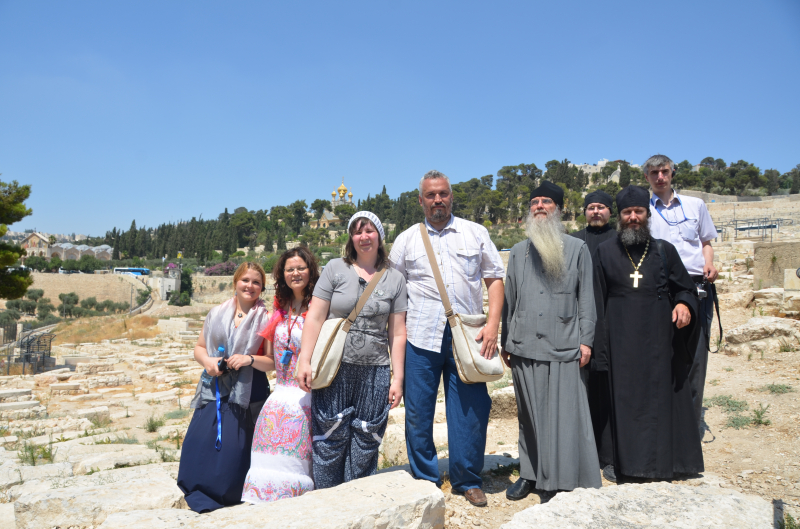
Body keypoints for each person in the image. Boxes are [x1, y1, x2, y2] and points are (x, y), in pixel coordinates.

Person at [389, 170, 505, 508]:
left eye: (443, 194)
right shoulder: (407, 239)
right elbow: (394, 292)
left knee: (470, 409)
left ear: (451, 196)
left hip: (467, 338)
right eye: (430, 195)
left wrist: (493, 325)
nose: (437, 200)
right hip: (420, 337)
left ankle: (467, 479)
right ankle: (426, 478)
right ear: (421, 200)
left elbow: (495, 279)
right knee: (419, 413)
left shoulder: (475, 232)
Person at [593, 185, 703, 481]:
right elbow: (595, 300)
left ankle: (662, 463)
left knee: (659, 396)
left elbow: (686, 288)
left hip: (658, 338)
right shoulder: (604, 252)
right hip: (619, 339)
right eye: (627, 212)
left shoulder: (664, 251)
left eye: (638, 212)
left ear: (647, 214)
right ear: (619, 216)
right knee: (621, 399)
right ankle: (619, 462)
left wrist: (683, 304)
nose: (632, 218)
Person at [501, 181, 600, 500]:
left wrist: (586, 340)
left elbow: (586, 298)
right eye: (534, 202)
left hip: (565, 342)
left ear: (558, 209)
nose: (539, 206)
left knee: (565, 414)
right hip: (524, 344)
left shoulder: (577, 248)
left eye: (546, 202)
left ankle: (565, 476)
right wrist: (507, 340)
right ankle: (530, 474)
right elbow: (509, 301)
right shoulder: (517, 252)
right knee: (530, 416)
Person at [296, 211, 407, 489]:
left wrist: (398, 378)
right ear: (351, 237)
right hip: (336, 367)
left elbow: (397, 332)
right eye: (357, 231)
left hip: (376, 370)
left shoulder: (395, 278)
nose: (363, 237)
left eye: (369, 230)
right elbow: (315, 316)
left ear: (379, 236)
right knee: (330, 439)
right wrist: (304, 359)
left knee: (366, 441)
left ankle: (358, 504)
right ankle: (327, 503)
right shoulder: (335, 268)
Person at [178, 261, 272, 513]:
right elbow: (199, 348)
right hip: (215, 387)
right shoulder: (216, 313)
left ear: (262, 288)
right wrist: (208, 362)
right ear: (235, 282)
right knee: (199, 442)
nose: (250, 286)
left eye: (256, 282)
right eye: (245, 280)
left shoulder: (267, 319)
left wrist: (248, 359)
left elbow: (271, 362)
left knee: (235, 449)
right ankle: (197, 489)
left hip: (249, 392)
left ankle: (232, 494)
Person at [644, 154, 718, 437]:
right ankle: (662, 418)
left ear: (672, 173)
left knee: (696, 356)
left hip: (697, 285)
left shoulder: (696, 205)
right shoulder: (643, 209)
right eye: (654, 173)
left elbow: (706, 242)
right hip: (661, 289)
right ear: (647, 177)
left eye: (664, 171)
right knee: (661, 353)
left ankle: (689, 423)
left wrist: (709, 262)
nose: (660, 177)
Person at [241, 247, 319, 503]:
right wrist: (249, 359)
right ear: (282, 274)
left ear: (311, 270)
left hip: (306, 398)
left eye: (300, 268)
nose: (295, 273)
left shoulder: (320, 305)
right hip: (278, 398)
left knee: (295, 468)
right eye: (289, 269)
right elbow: (273, 361)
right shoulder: (280, 308)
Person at [568, 189, 616, 477]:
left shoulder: (620, 240)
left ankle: (609, 456)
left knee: (608, 392)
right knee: (581, 393)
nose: (596, 211)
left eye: (601, 207)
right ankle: (582, 456)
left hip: (612, 327)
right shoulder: (573, 240)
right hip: (579, 329)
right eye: (591, 207)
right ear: (584, 211)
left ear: (610, 211)